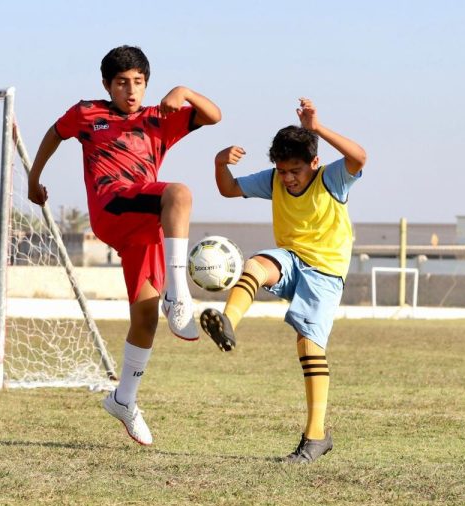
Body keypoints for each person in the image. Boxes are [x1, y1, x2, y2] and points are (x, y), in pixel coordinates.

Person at [28, 45, 221, 445]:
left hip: (146, 227)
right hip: (111, 207)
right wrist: (34, 179)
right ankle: (179, 295)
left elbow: (214, 115)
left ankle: (123, 399)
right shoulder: (87, 113)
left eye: (138, 82)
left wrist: (184, 90)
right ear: (106, 85)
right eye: (121, 83)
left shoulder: (159, 118)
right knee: (180, 193)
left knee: (145, 318)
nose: (130, 91)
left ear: (147, 84)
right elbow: (54, 134)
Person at [201, 98, 366, 463]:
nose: (288, 178)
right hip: (291, 259)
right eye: (281, 170)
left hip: (325, 273)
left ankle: (316, 436)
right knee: (256, 264)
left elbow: (359, 157)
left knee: (308, 348)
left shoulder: (331, 179)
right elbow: (229, 188)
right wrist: (219, 164)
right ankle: (228, 322)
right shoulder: (274, 180)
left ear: (314, 163)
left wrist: (317, 128)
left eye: (295, 170)